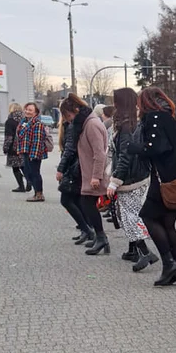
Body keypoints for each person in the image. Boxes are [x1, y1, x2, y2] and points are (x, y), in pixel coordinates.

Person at [129, 87, 176, 287]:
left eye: (139, 101)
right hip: (175, 179)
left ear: (145, 102)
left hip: (164, 180)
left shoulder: (154, 118)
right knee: (167, 224)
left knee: (147, 216)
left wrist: (136, 147)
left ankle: (170, 264)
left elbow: (157, 148)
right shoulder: (168, 117)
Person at [107, 88, 158, 272]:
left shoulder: (127, 126)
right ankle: (141, 251)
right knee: (130, 215)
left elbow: (125, 156)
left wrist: (115, 180)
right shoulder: (132, 123)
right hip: (136, 176)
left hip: (130, 178)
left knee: (130, 216)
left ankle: (145, 252)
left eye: (115, 101)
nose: (113, 104)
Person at [59, 94, 110, 256]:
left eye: (68, 115)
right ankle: (100, 237)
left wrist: (96, 176)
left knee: (87, 204)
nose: (68, 120)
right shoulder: (87, 122)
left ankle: (101, 237)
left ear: (75, 110)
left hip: (94, 173)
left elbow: (99, 153)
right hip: (89, 172)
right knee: (85, 203)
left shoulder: (91, 124)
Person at [56, 115, 92, 243]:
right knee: (76, 199)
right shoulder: (73, 125)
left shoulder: (71, 127)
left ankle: (87, 229)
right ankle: (87, 229)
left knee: (66, 199)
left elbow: (69, 149)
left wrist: (61, 168)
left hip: (74, 167)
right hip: (77, 166)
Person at [16, 102, 47, 202]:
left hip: (33, 152)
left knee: (35, 173)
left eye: (30, 110)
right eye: (26, 109)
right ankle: (36, 192)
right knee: (29, 173)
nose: (27, 112)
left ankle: (39, 194)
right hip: (25, 151)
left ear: (36, 112)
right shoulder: (23, 122)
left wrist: (33, 155)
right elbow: (20, 137)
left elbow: (37, 141)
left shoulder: (37, 124)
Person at [3, 103, 29, 192]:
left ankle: (21, 186)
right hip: (24, 146)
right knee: (23, 166)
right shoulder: (25, 120)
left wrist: (5, 148)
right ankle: (29, 181)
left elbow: (9, 137)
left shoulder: (10, 121)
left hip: (14, 148)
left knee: (15, 167)